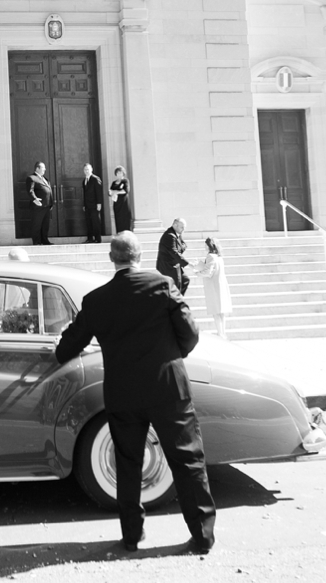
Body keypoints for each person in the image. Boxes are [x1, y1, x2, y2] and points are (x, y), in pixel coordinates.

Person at [55, 231, 216, 554]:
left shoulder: (96, 300)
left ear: (112, 258)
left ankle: (131, 536)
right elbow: (191, 333)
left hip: (123, 391)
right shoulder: (162, 286)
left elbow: (67, 348)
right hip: (168, 386)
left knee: (127, 465)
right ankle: (202, 535)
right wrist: (172, 356)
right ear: (140, 256)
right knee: (187, 461)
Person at [197, 238, 232, 339]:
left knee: (216, 311)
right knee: (221, 312)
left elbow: (208, 272)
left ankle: (220, 333)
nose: (204, 247)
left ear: (209, 245)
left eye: (205, 245)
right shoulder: (219, 257)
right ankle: (223, 332)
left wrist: (198, 273)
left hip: (214, 286)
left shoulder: (210, 256)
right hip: (221, 284)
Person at [156, 217, 193, 294]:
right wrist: (188, 264)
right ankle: (174, 303)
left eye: (184, 227)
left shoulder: (177, 234)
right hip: (168, 266)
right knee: (176, 286)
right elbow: (174, 252)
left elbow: (183, 245)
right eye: (182, 227)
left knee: (185, 280)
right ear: (175, 225)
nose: (183, 229)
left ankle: (177, 300)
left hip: (175, 264)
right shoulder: (170, 235)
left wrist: (180, 248)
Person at [28, 161, 54, 245]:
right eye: (43, 168)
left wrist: (51, 202)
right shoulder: (32, 178)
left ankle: (44, 240)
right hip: (38, 206)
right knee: (37, 224)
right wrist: (34, 199)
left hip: (47, 206)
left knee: (45, 225)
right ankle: (37, 241)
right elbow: (30, 190)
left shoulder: (45, 179)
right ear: (37, 168)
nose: (45, 169)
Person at [82, 163, 104, 242]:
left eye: (88, 169)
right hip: (87, 206)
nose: (86, 171)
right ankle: (90, 238)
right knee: (88, 222)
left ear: (91, 170)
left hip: (95, 205)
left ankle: (98, 239)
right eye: (85, 169)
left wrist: (99, 203)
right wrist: (84, 205)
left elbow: (99, 192)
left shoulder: (95, 179)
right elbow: (85, 194)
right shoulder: (84, 180)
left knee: (96, 222)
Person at [108, 165, 133, 232]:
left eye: (121, 173)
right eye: (118, 173)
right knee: (118, 220)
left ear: (123, 173)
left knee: (125, 219)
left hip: (124, 204)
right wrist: (111, 192)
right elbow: (110, 192)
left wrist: (115, 192)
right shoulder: (114, 183)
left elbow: (126, 191)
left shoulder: (125, 181)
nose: (119, 174)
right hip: (116, 204)